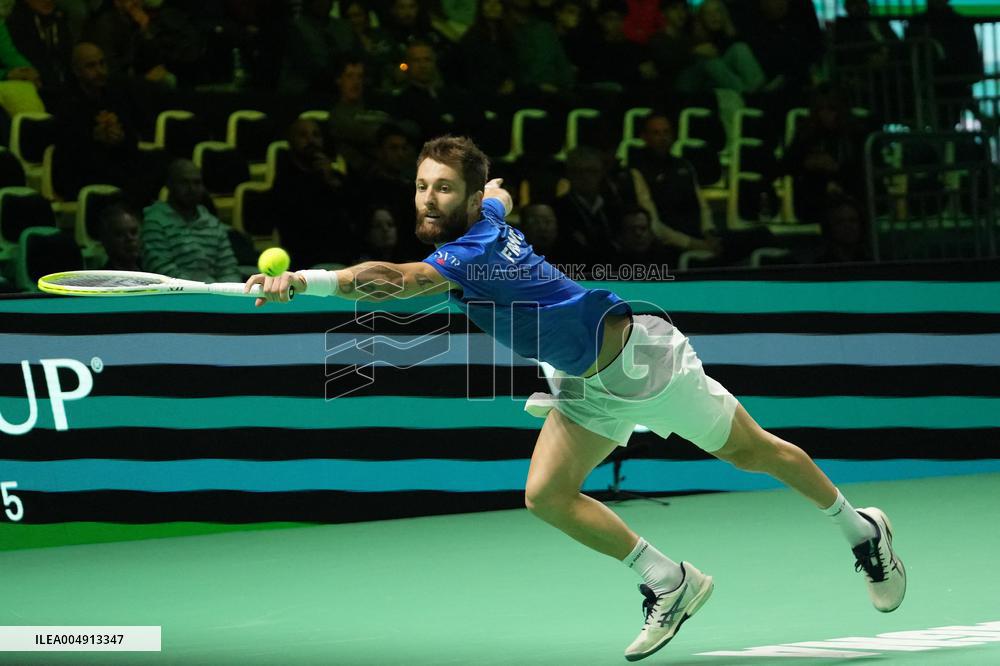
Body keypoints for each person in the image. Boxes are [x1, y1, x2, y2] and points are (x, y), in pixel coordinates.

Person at [245, 135, 907, 661]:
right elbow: (498, 197)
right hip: (585, 385)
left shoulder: (470, 251)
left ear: (467, 198)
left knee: (752, 452)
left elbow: (394, 280)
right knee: (547, 495)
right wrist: (492, 193)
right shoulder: (484, 218)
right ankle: (670, 581)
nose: (426, 198)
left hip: (644, 364)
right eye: (421, 186)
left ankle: (863, 530)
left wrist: (304, 282)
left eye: (443, 189)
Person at [142, 159, 241, 283]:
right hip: (173, 296)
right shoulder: (154, 222)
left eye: (197, 183)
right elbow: (161, 270)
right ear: (169, 185)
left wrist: (226, 294)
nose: (192, 188)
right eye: (184, 182)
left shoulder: (213, 224)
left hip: (214, 296)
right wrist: (202, 292)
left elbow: (228, 269)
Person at [97, 201, 143, 271]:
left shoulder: (151, 272)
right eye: (119, 234)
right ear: (105, 241)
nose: (130, 238)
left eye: (134, 232)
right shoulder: (100, 280)